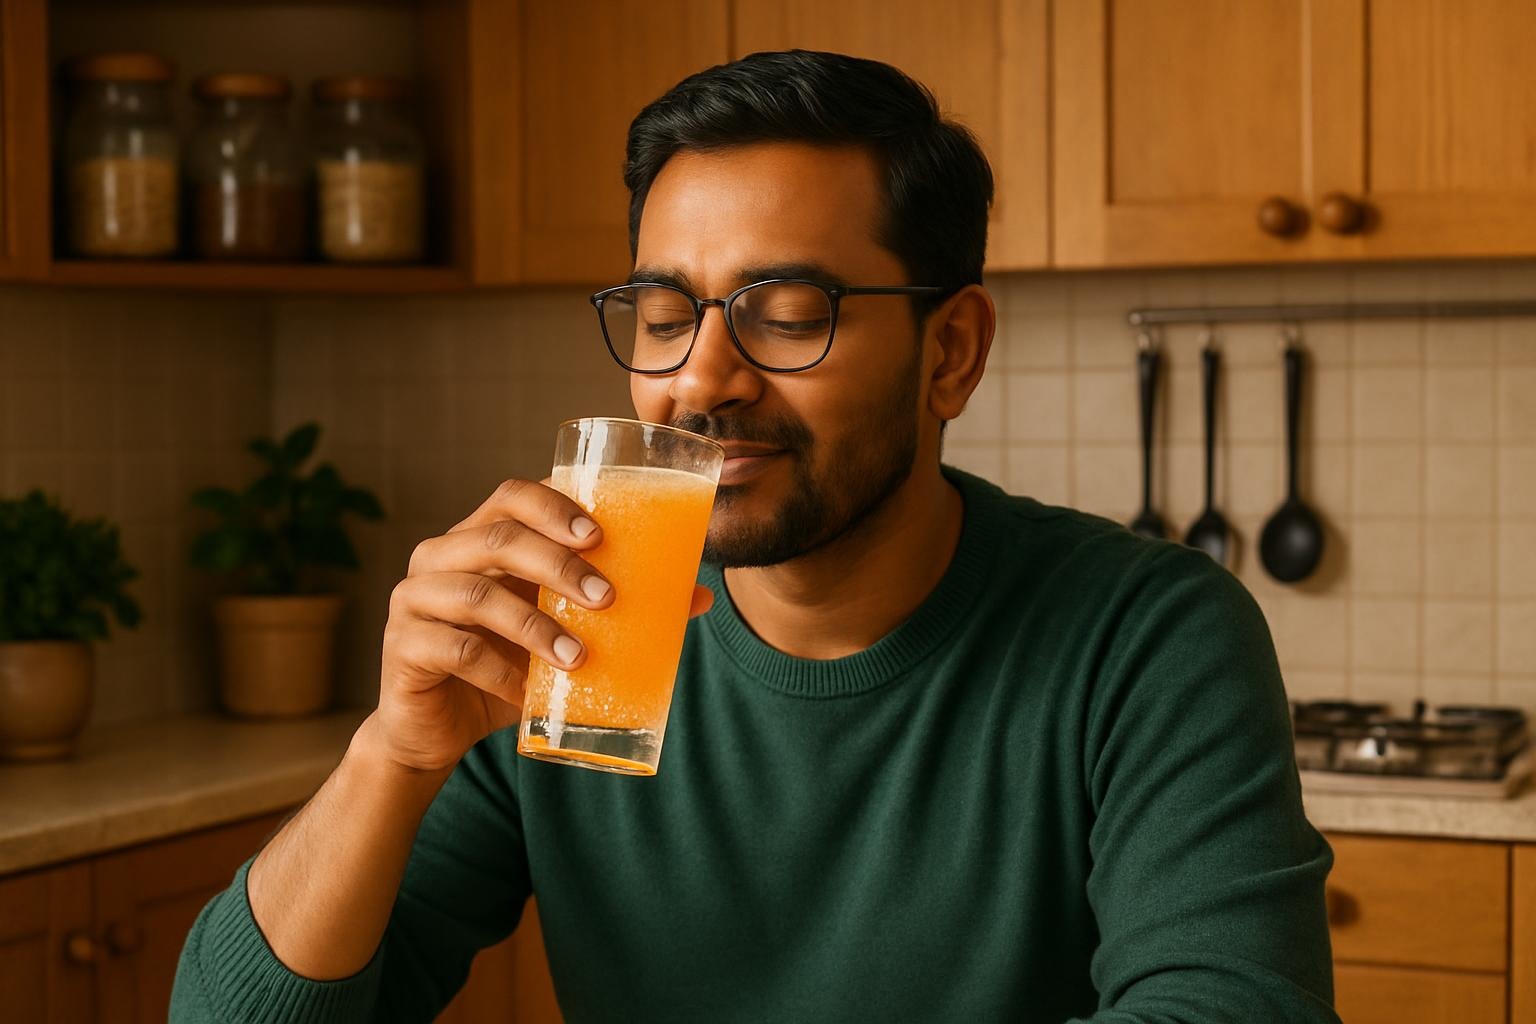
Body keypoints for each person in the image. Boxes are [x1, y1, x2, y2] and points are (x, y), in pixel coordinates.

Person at [171, 50, 1338, 1023]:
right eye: (668, 316)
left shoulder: (1148, 634)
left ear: (952, 354)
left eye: (788, 318)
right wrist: (395, 755)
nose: (702, 378)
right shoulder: (572, 636)